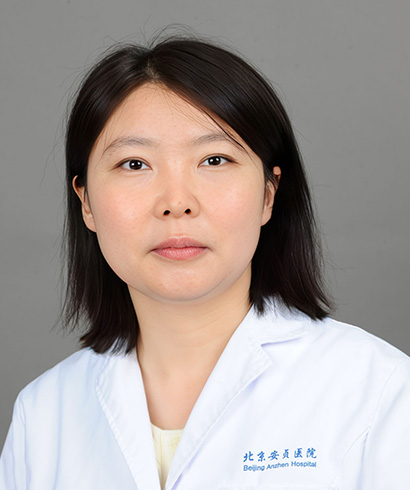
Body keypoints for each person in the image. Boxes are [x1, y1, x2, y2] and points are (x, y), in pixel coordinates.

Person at [1, 33, 409, 490]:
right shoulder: (43, 416)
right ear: (87, 203)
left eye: (214, 159)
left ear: (268, 194)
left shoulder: (378, 392)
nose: (176, 202)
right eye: (134, 164)